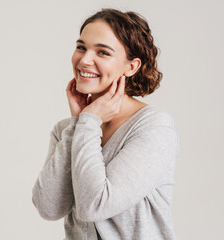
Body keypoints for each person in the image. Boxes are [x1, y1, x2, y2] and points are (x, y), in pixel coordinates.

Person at [32, 8, 179, 240]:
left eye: (102, 52)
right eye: (81, 47)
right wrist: (77, 125)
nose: (84, 60)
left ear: (131, 67)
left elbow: (95, 205)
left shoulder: (154, 127)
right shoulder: (66, 130)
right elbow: (48, 208)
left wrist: (88, 121)